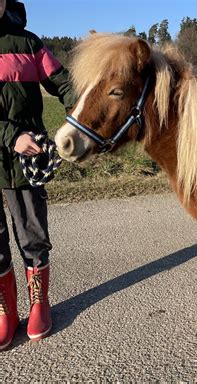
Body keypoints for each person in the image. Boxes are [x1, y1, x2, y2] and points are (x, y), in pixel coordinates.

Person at [0, 0, 76, 350]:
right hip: (13, 145)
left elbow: (63, 81)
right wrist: (11, 136)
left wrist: (78, 111)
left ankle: (38, 304)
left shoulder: (29, 44)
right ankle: (5, 311)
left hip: (26, 162)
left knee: (33, 234)